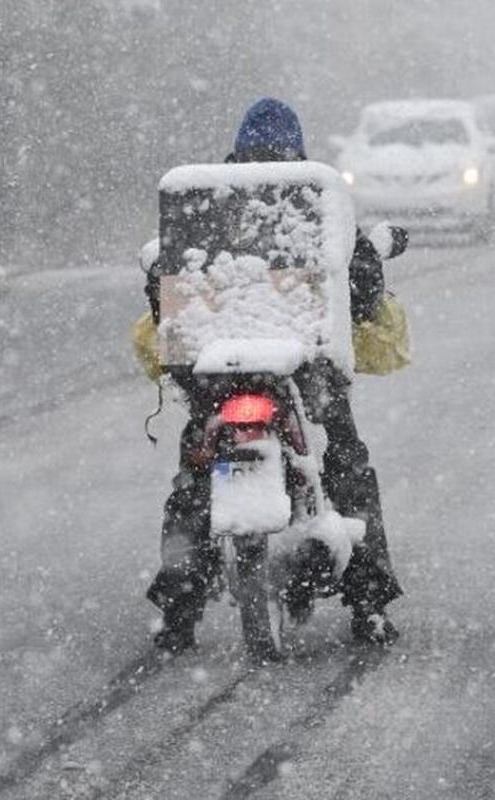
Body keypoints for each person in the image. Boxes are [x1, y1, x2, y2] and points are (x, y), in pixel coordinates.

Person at [142, 98, 403, 653]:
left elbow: (167, 296)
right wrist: (371, 260)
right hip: (303, 379)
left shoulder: (203, 209)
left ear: (237, 151)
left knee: (193, 483)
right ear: (298, 152)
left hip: (219, 381)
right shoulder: (310, 205)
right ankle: (370, 603)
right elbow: (360, 293)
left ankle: (179, 610)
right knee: (346, 467)